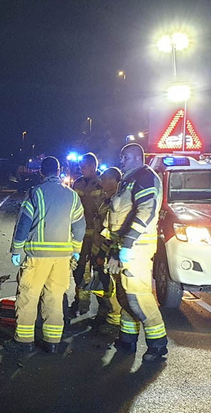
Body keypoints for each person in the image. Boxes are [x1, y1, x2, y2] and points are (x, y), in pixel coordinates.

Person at [7, 156, 85, 354]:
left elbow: (23, 224)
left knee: (29, 296)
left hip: (38, 256)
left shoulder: (35, 193)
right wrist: (75, 250)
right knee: (55, 297)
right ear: (58, 172)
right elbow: (80, 226)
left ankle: (24, 341)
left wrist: (17, 250)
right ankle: (52, 341)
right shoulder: (72, 195)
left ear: (42, 172)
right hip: (62, 258)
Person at [103, 143, 168, 362]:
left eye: (125, 156)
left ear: (136, 157)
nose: (121, 160)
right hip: (123, 247)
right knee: (124, 295)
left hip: (136, 248)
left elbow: (146, 211)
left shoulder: (145, 177)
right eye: (121, 156)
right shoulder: (129, 179)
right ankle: (127, 339)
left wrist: (128, 244)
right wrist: (115, 248)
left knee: (138, 296)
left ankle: (158, 345)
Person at [71, 152, 105, 318]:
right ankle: (81, 303)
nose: (81, 169)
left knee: (99, 271)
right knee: (79, 271)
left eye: (84, 166)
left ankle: (104, 309)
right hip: (81, 235)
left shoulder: (102, 184)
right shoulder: (77, 183)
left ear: (93, 166)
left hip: (98, 236)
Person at [89, 167, 123, 333]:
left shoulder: (117, 202)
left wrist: (103, 253)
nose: (100, 182)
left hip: (110, 252)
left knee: (112, 286)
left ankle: (114, 319)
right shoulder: (107, 200)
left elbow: (110, 232)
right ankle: (107, 312)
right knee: (104, 284)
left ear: (113, 181)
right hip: (101, 250)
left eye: (104, 179)